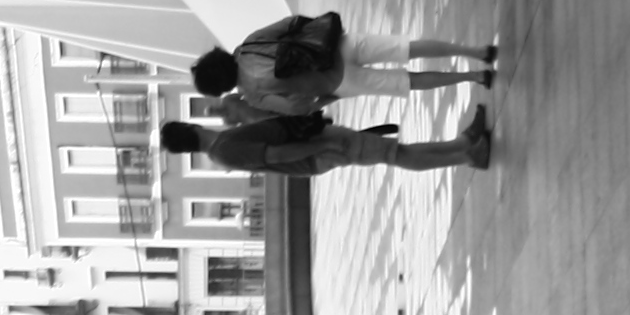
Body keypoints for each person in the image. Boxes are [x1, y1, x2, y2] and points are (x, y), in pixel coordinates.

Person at [196, 15, 495, 117]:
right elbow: (292, 22)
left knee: (408, 81)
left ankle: (473, 76)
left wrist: (328, 98)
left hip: (339, 82)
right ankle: (475, 51)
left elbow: (298, 109)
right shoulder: (251, 44)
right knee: (408, 48)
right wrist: (320, 36)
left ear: (221, 87)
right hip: (339, 46)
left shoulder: (252, 94)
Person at [162, 109, 489, 174]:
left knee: (394, 151)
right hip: (315, 151)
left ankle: (462, 144)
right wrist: (320, 147)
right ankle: (466, 156)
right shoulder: (224, 151)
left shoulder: (223, 141)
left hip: (316, 141)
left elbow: (270, 130)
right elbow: (275, 153)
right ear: (187, 126)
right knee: (395, 154)